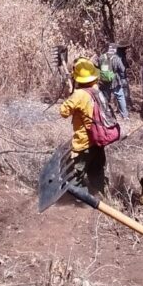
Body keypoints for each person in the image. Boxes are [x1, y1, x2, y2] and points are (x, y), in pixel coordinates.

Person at [59, 57, 106, 194]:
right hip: (98, 141)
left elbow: (63, 112)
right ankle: (100, 195)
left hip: (83, 143)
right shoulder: (97, 91)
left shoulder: (79, 95)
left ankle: (79, 200)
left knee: (77, 176)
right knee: (97, 172)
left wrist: (71, 95)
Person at [97, 42, 129, 120]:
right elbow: (122, 69)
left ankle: (105, 114)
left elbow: (99, 67)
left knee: (105, 98)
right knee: (120, 97)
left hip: (104, 81)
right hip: (115, 81)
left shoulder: (101, 57)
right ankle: (125, 116)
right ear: (115, 49)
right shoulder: (117, 58)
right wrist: (121, 76)